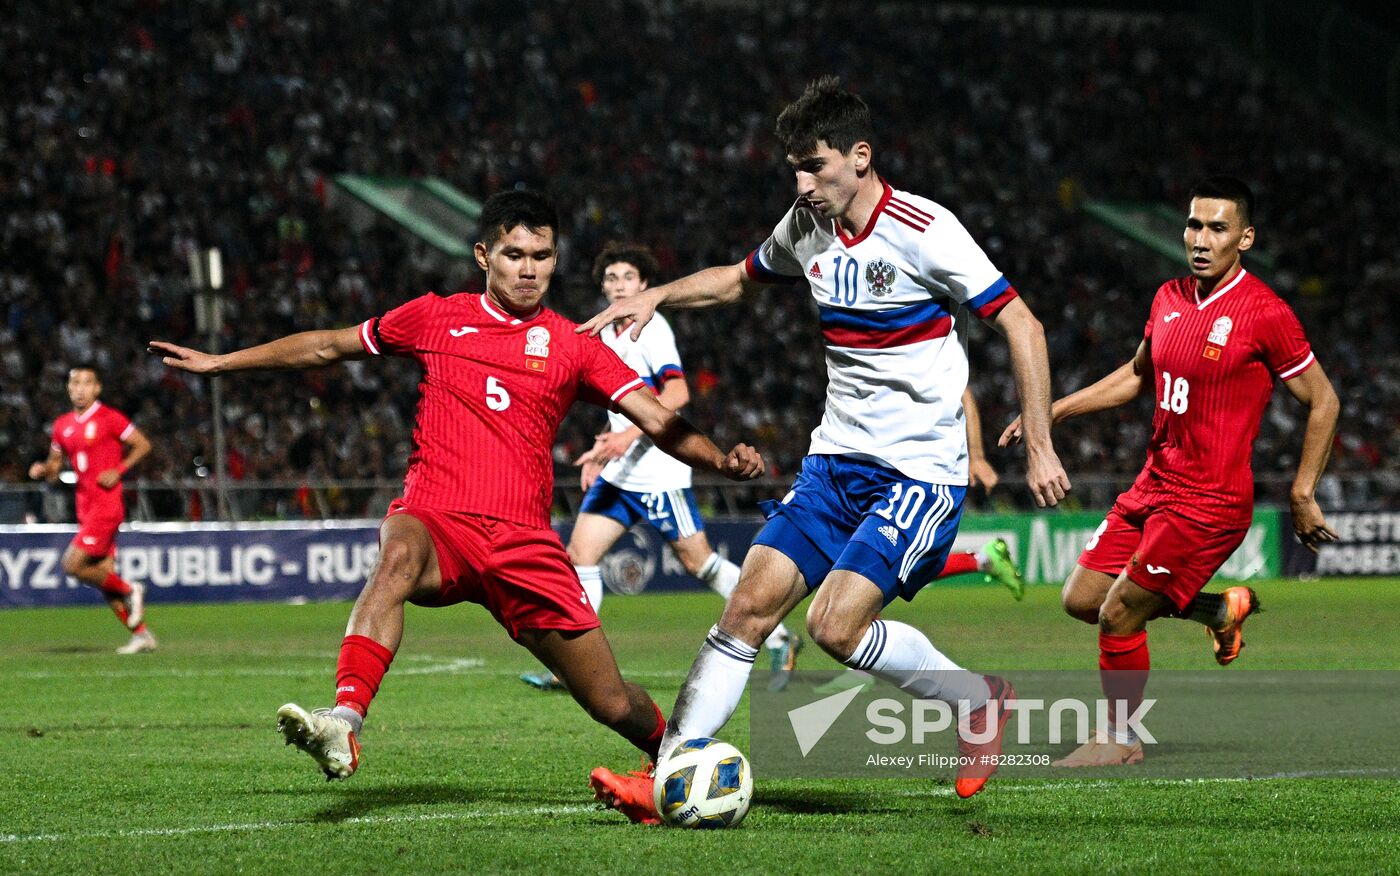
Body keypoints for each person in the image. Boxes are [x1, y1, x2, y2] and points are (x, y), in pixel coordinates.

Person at [149, 190, 764, 792]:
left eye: (541, 256)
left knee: (608, 699)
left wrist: (719, 459)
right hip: (438, 521)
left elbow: (657, 419)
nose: (529, 270)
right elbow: (328, 345)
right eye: (514, 254)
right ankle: (344, 719)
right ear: (482, 256)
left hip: (523, 543)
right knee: (396, 556)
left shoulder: (575, 347)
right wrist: (221, 363)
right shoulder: (435, 316)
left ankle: (679, 759)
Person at [582, 76, 1070, 815]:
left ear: (860, 156)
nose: (803, 184)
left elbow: (1022, 326)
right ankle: (667, 776)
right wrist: (655, 295)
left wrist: (1039, 444)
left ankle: (978, 701)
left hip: (917, 473)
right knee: (746, 607)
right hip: (833, 461)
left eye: (814, 167)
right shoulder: (806, 226)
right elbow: (738, 281)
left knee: (834, 627)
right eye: (794, 170)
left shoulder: (925, 229)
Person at [1000, 176, 1340, 767]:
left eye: (1217, 228)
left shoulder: (1265, 313)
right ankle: (1217, 610)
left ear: (1246, 238)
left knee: (1119, 613)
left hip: (1208, 502)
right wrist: (1051, 410)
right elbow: (1136, 376)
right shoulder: (1168, 297)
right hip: (1154, 484)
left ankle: (1121, 739)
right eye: (1193, 225)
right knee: (1082, 599)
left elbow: (1325, 400)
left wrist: (1303, 490)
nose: (1200, 239)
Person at [520, 243, 800, 694]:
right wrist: (600, 451)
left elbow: (676, 395)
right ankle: (571, 665)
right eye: (611, 278)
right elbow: (618, 408)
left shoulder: (652, 328)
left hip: (658, 474)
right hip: (620, 474)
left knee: (700, 563)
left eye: (627, 278)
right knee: (580, 556)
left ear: (643, 285)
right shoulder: (604, 331)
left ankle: (782, 637)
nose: (618, 285)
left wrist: (624, 439)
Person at [29, 365, 155, 654]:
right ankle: (141, 635)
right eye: (74, 383)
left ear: (97, 388)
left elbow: (143, 444)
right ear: (68, 388)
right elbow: (54, 468)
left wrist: (119, 469)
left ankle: (131, 589)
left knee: (72, 565)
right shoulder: (62, 425)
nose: (80, 388)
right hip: (85, 508)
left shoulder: (109, 418)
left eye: (86, 383)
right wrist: (42, 469)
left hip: (107, 506)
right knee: (102, 575)